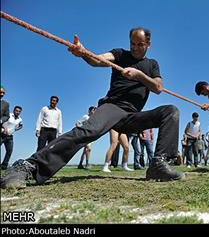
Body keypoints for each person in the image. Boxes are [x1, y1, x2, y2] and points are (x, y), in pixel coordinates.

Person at [1, 27, 184, 189]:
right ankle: (27, 166)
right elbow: (98, 60)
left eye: (140, 44)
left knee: (171, 111)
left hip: (131, 117)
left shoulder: (152, 65)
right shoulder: (120, 55)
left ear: (149, 44)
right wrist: (84, 52)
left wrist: (139, 75)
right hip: (113, 107)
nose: (135, 48)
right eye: (132, 43)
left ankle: (159, 166)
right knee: (89, 131)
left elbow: (158, 87)